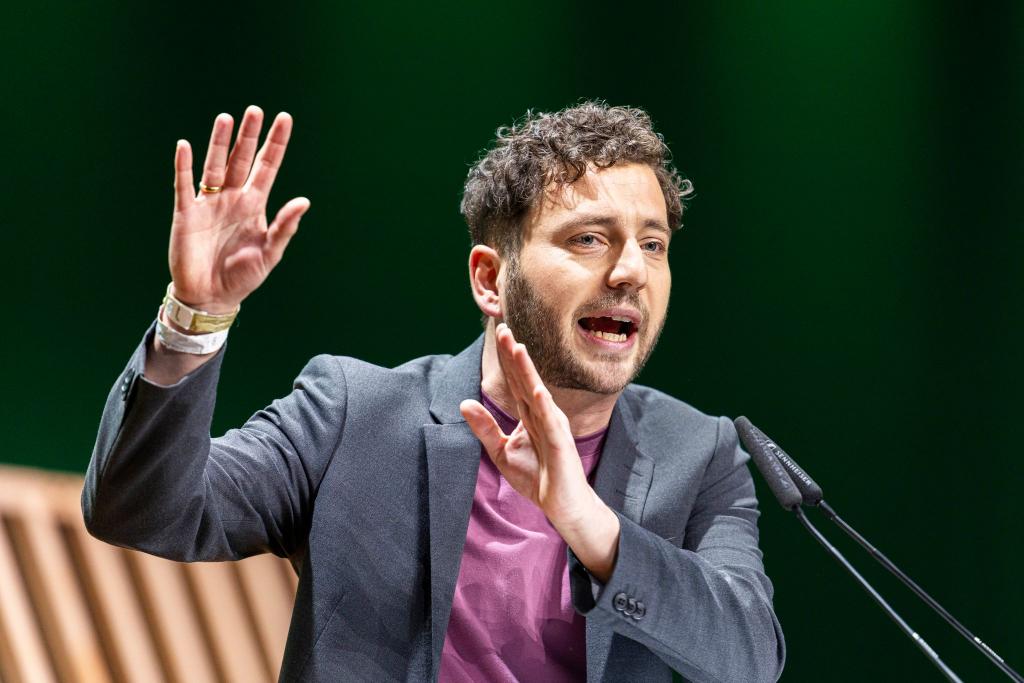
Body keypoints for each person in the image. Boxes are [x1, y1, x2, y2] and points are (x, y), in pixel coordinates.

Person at [83, 101, 785, 682]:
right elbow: (142, 510)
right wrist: (193, 319)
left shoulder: (699, 453)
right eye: (590, 240)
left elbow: (749, 655)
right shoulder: (353, 413)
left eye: (654, 244)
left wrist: (589, 525)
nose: (631, 269)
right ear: (489, 279)